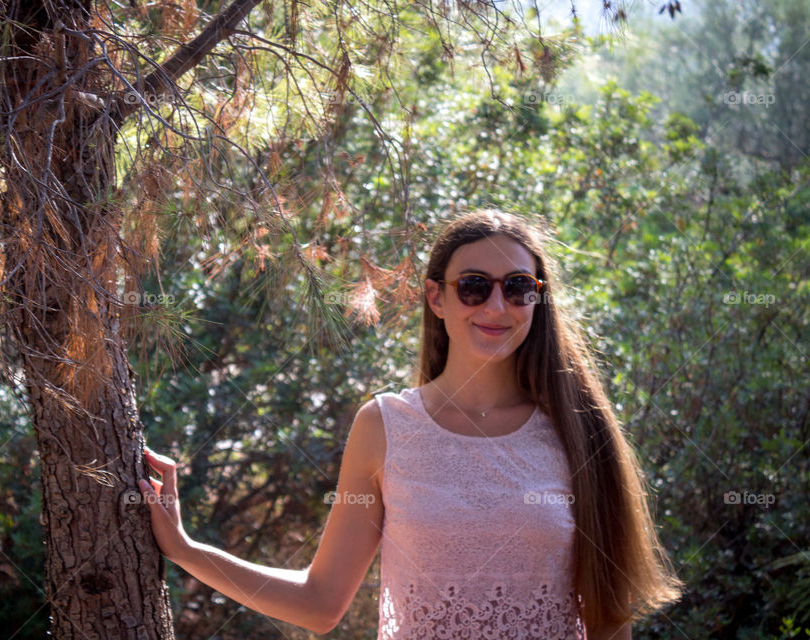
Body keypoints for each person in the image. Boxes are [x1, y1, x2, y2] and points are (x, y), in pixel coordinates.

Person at [138, 208, 684, 639]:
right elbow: (320, 603)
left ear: (536, 301)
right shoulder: (385, 427)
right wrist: (186, 549)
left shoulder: (577, 430)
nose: (497, 304)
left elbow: (611, 618)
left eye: (517, 287)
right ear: (436, 297)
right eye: (474, 285)